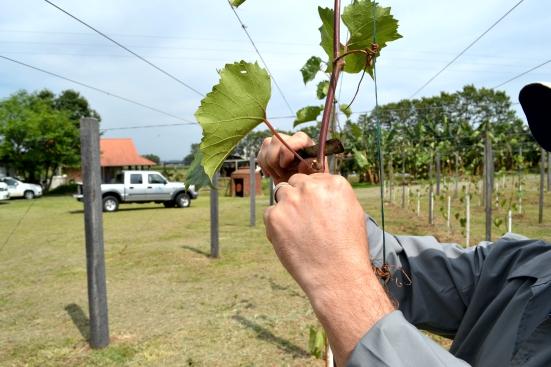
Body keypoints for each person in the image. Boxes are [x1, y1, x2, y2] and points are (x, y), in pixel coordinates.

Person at [256, 83, 551, 367]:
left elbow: (358, 280)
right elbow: (408, 270)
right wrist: (321, 205)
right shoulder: (522, 267)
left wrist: (345, 292)